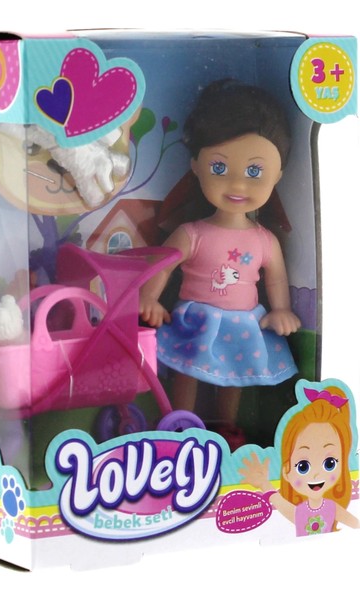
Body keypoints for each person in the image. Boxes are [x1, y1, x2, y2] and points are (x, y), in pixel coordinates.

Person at [140, 79, 300, 444]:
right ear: (196, 166)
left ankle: (227, 424)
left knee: (236, 374)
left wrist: (281, 309)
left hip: (244, 322)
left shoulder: (264, 240)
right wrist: (148, 297)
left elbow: (275, 277)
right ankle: (179, 422)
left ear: (277, 175)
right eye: (219, 167)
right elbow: (163, 264)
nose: (238, 185)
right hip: (196, 318)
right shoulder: (191, 233)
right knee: (187, 371)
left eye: (255, 172)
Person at [239, 384, 360, 535]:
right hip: (298, 548)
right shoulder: (299, 511)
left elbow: (356, 524)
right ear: (286, 471)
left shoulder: (332, 508)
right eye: (303, 466)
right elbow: (278, 501)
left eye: (330, 463)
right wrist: (264, 483)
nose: (316, 475)